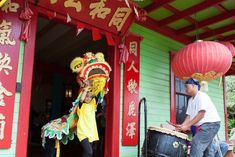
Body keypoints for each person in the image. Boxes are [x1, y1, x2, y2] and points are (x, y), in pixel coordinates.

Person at [176, 78, 221, 157]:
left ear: (194, 86)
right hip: (206, 126)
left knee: (196, 142)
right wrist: (182, 126)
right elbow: (189, 116)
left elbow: (201, 114)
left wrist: (187, 126)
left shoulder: (201, 96)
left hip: (211, 125)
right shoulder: (190, 100)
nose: (185, 89)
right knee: (208, 150)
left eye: (187, 86)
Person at [75, 83, 99, 157]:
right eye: (86, 96)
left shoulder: (93, 105)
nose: (88, 98)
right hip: (82, 132)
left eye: (90, 97)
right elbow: (81, 99)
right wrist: (86, 88)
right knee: (89, 152)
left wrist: (92, 85)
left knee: (86, 153)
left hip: (90, 132)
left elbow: (95, 95)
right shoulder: (81, 106)